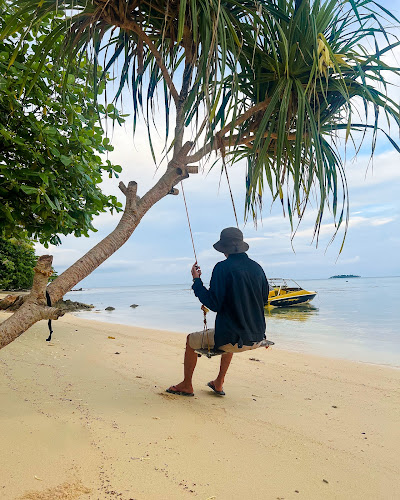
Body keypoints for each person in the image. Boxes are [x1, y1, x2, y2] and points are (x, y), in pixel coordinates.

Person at [166, 227, 269, 397]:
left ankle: (186, 385)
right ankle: (219, 382)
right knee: (230, 332)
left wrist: (197, 281)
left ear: (224, 249)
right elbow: (264, 299)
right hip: (257, 337)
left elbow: (213, 304)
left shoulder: (222, 268)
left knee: (190, 340)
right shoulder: (257, 268)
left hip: (232, 339)